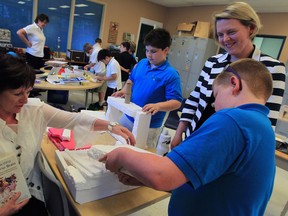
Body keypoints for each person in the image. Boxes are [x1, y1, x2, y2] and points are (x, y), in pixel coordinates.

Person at [100, 58, 276, 215]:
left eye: (216, 96)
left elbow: (161, 175)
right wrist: (146, 180)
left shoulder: (233, 120)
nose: (215, 107)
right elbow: (213, 178)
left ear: (234, 83)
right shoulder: (262, 126)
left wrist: (121, 154)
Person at [0, 54, 135, 216]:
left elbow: (74, 120)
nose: (25, 100)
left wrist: (111, 126)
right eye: (17, 94)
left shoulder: (33, 111)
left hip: (28, 194)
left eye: (28, 92)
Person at [171, 2, 286, 149]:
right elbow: (195, 99)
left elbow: (267, 121)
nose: (225, 39)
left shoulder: (271, 68)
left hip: (229, 148)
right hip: (195, 137)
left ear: (250, 28)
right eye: (220, 34)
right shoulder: (213, 62)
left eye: (231, 32)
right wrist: (178, 133)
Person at [112, 28, 182, 148]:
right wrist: (124, 91)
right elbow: (131, 79)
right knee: (117, 144)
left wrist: (158, 106)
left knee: (140, 154)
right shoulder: (142, 63)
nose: (149, 55)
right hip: (128, 116)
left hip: (149, 125)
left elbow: (176, 102)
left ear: (166, 50)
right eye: (147, 50)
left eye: (153, 51)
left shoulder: (171, 74)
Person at [83, 43, 107, 108]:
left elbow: (93, 63)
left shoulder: (94, 52)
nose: (88, 54)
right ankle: (100, 102)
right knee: (100, 88)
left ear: (89, 50)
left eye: (88, 52)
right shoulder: (96, 49)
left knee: (101, 88)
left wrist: (87, 66)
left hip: (101, 72)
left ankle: (101, 102)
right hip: (100, 70)